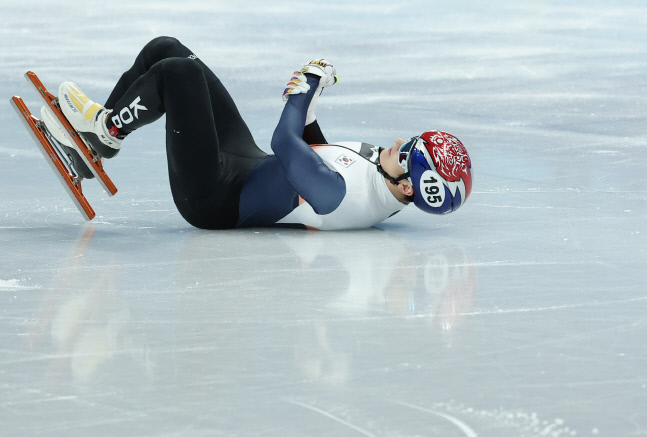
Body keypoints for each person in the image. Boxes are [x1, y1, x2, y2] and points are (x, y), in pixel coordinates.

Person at [46, 36, 473, 230]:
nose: (398, 143)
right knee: (166, 49)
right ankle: (99, 136)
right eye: (410, 140)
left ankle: (105, 134)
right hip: (245, 161)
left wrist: (306, 87)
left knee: (179, 73)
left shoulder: (345, 197)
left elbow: (285, 144)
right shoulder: (384, 180)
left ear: (410, 189)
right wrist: (312, 103)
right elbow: (314, 150)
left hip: (215, 198)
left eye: (406, 153)